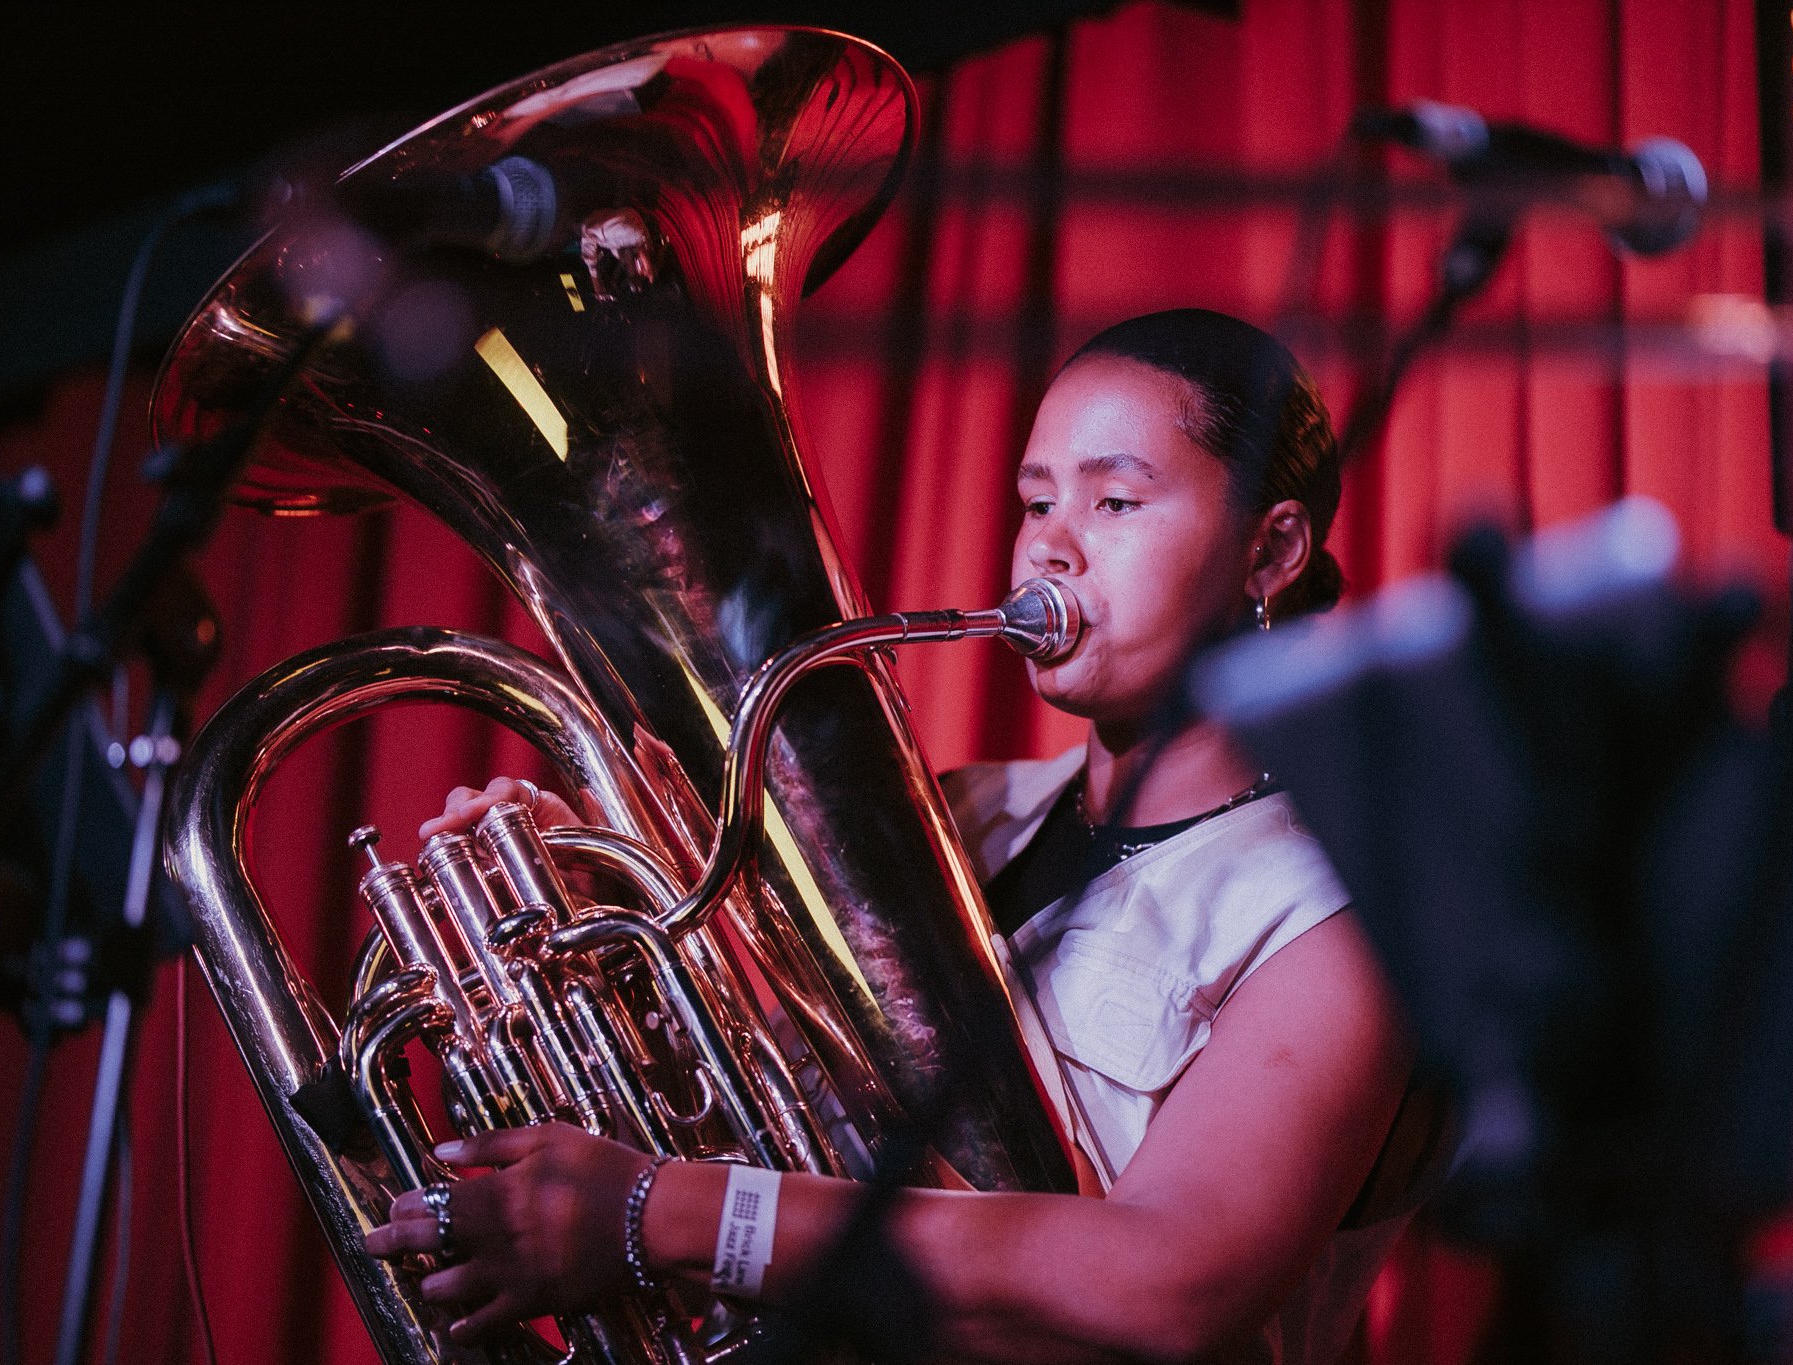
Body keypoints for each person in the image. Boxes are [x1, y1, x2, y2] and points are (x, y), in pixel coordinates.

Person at [366, 309, 1429, 1363]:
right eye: (1034, 500)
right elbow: (773, 1118)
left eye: (1113, 499)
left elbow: (1170, 1282)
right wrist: (591, 922)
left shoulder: (1340, 907)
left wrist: (663, 1214)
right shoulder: (960, 816)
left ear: (1271, 549)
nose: (1049, 544)